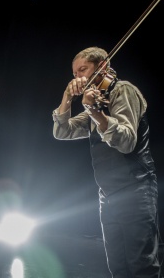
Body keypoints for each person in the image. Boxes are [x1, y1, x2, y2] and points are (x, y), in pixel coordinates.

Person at [52, 46, 161, 278]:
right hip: (108, 195)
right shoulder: (93, 101)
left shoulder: (123, 90)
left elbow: (127, 141)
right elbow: (62, 132)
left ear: (102, 67)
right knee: (118, 267)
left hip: (136, 188)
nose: (79, 77)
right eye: (74, 74)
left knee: (142, 266)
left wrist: (95, 111)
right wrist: (67, 98)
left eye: (83, 69)